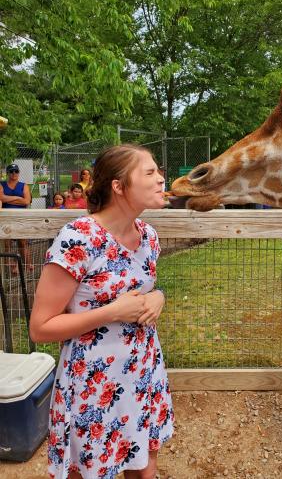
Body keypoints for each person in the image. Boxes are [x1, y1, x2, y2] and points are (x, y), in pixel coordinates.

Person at [30, 144, 174, 479]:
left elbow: (144, 289)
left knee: (144, 470)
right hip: (93, 385)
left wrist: (160, 297)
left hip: (143, 374)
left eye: (159, 172)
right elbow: (40, 328)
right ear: (119, 186)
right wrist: (111, 312)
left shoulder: (149, 236)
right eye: (150, 173)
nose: (161, 180)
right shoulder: (79, 238)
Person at [0, 163, 33, 272]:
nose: (14, 173)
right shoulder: (1, 184)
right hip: (6, 216)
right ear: (7, 173)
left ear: (18, 173)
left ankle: (27, 264)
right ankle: (11, 266)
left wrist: (7, 198)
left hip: (20, 216)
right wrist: (18, 198)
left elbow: (27, 201)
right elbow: (1, 198)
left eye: (16, 171)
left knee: (22, 242)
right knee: (7, 242)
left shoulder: (24, 185)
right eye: (11, 171)